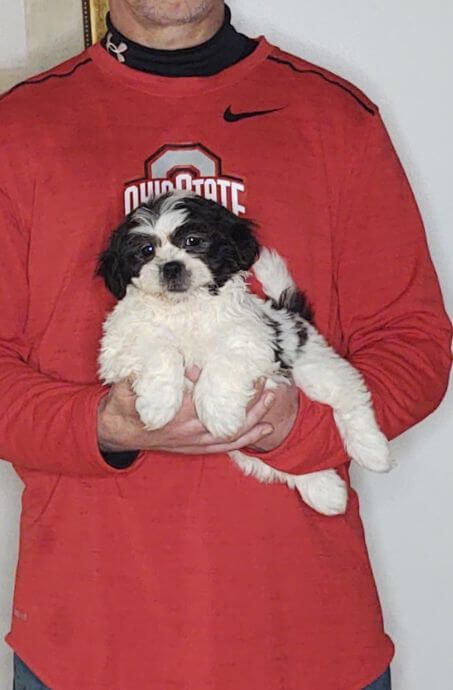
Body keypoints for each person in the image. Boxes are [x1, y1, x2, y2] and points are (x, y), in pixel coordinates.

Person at [1, 1, 451, 688]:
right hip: (88, 642)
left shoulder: (333, 116)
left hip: (305, 639)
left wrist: (304, 428)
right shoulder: (18, 129)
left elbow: (414, 343)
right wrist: (100, 425)